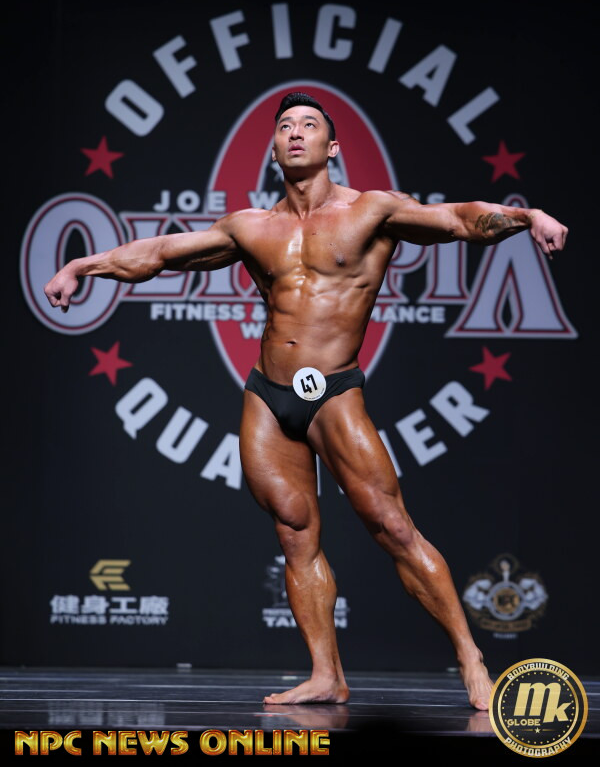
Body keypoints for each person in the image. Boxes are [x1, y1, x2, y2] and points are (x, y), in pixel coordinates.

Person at [44, 92, 568, 709]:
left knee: (393, 527)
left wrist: (527, 216)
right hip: (268, 395)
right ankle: (326, 674)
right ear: (273, 148)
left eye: (309, 125)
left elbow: (457, 220)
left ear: (332, 146)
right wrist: (83, 265)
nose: (296, 132)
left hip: (333, 391)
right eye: (285, 126)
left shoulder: (371, 211)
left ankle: (471, 658)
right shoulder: (249, 227)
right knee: (295, 534)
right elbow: (159, 254)